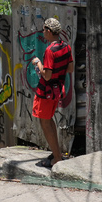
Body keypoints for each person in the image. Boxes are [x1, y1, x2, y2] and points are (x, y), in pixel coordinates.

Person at [31, 17, 74, 168]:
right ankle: (57, 154)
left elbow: (47, 75)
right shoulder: (66, 47)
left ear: (49, 31)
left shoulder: (50, 50)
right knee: (48, 120)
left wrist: (38, 63)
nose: (43, 33)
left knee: (45, 122)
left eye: (44, 30)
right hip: (57, 90)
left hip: (46, 91)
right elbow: (70, 69)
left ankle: (57, 157)